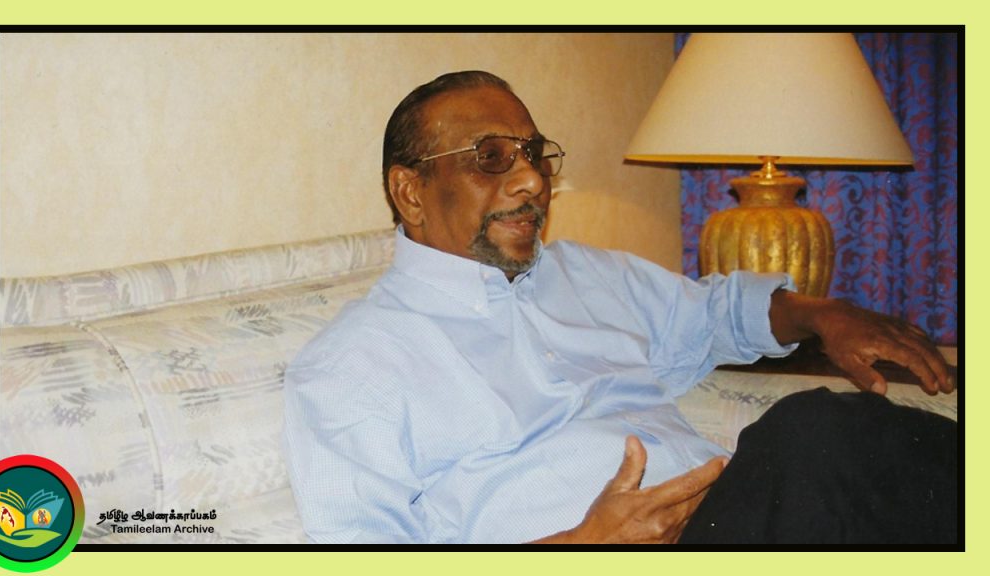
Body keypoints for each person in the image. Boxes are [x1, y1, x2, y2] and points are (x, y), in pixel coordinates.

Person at [282, 70, 956, 544]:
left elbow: (717, 314)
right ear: (410, 192)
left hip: (738, 512)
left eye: (534, 155)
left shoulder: (586, 274)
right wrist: (582, 544)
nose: (532, 180)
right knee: (813, 431)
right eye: (490, 157)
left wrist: (823, 314)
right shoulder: (355, 365)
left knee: (849, 438)